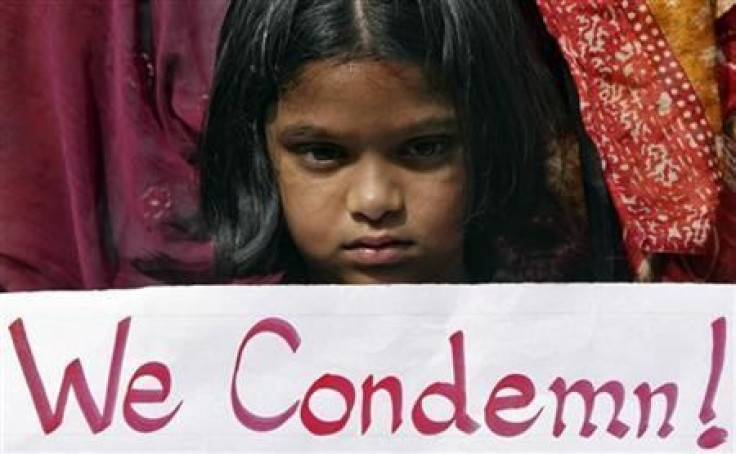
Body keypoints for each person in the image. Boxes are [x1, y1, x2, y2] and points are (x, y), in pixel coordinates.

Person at [197, 0, 588, 284]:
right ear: (258, 152)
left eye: (424, 148)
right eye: (323, 153)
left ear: (491, 140)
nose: (374, 202)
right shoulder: (224, 366)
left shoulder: (564, 361)